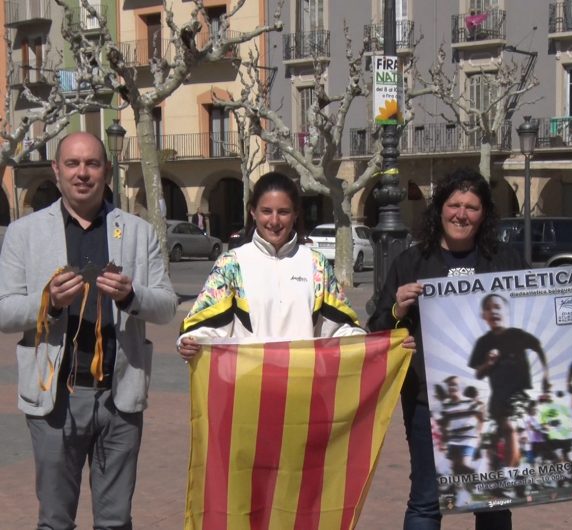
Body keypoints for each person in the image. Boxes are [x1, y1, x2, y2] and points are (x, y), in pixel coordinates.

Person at [368, 168, 572, 530]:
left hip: (500, 406)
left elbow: (539, 309)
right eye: (454, 205)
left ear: (484, 213)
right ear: (439, 209)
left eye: (472, 207)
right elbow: (377, 329)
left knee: (495, 502)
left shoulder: (504, 260)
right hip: (429, 402)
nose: (462, 214)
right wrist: (398, 309)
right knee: (426, 501)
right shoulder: (411, 262)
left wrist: (570, 288)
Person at [0, 131, 178, 529]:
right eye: (73, 164)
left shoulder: (137, 231)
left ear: (107, 172)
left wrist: (132, 296)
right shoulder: (24, 233)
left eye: (92, 164)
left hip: (119, 397)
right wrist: (46, 301)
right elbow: (3, 312)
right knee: (55, 520)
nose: (82, 173)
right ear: (56, 171)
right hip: (53, 398)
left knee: (115, 521)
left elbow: (167, 306)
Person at [177, 171, 365, 356]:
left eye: (283, 212)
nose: (274, 221)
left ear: (295, 214)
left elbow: (340, 328)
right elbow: (204, 327)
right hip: (249, 382)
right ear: (253, 212)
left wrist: (365, 344)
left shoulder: (317, 265)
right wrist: (193, 341)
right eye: (266, 211)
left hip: (304, 381)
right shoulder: (231, 264)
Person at [469, 293, 550, 469]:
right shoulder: (483, 343)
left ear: (506, 312)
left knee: (509, 427)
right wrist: (488, 363)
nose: (493, 311)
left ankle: (510, 473)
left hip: (519, 392)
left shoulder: (517, 335)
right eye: (488, 308)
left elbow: (539, 348)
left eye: (497, 307)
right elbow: (478, 374)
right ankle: (513, 469)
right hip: (498, 396)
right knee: (501, 433)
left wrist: (545, 376)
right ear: (483, 315)